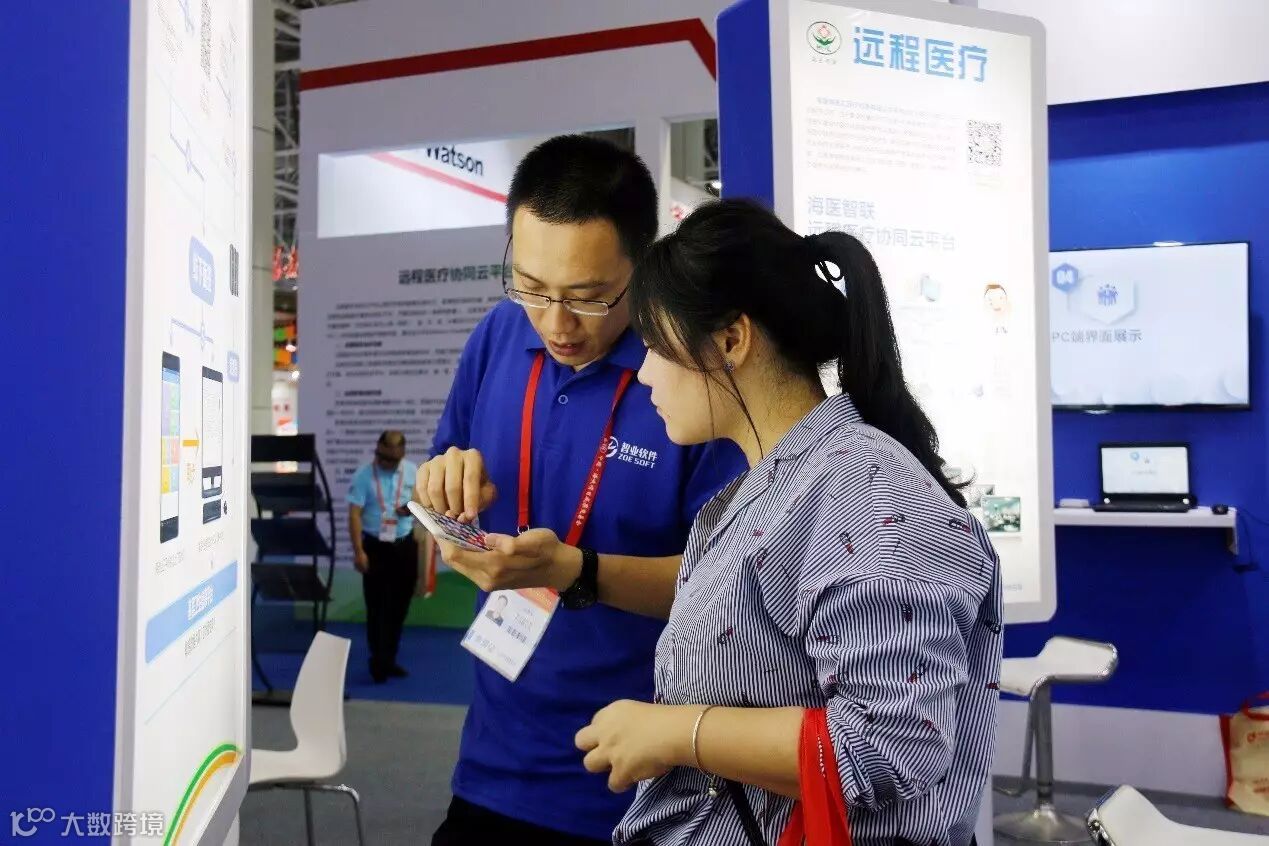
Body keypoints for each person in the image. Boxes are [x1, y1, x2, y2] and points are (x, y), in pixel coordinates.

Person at [444, 200, 1001, 845]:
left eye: (658, 347)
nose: (644, 372)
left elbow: (891, 747)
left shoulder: (871, 500)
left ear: (732, 342)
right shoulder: (769, 489)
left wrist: (677, 733)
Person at [417, 136, 746, 846]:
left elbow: (731, 591)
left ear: (644, 265)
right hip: (494, 765)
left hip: (644, 783)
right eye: (532, 287)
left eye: (589, 298)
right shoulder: (498, 335)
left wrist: (576, 571)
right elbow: (437, 481)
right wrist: (441, 490)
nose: (555, 323)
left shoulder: (691, 374)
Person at [348, 430, 418, 684]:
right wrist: (359, 551)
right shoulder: (364, 475)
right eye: (381, 456)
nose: (385, 462)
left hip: (404, 545)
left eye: (392, 459)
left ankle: (389, 658)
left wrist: (410, 508)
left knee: (399, 606)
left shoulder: (412, 472)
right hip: (375, 547)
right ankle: (377, 660)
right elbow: (354, 514)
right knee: (376, 606)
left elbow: (421, 502)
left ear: (402, 455)